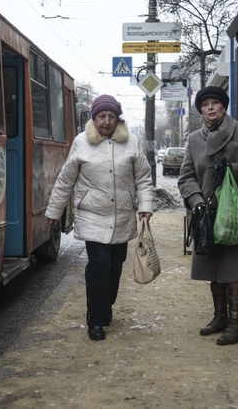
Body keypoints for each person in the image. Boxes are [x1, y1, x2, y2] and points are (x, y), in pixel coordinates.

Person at [45, 94, 153, 341]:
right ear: (93, 118)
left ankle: (104, 305)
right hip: (92, 215)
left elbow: (143, 178)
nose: (106, 121)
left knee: (115, 268)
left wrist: (145, 206)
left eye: (111, 117)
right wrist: (54, 210)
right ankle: (96, 319)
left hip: (123, 215)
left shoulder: (132, 142)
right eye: (101, 116)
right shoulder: (81, 142)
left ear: (118, 118)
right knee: (99, 265)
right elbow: (66, 179)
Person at [178, 86, 238, 345]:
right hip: (207, 213)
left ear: (223, 106)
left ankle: (236, 325)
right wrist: (196, 202)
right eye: (205, 104)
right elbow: (186, 177)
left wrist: (236, 169)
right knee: (214, 266)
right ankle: (219, 317)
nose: (210, 108)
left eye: (214, 103)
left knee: (233, 268)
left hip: (237, 213)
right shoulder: (195, 139)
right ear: (200, 111)